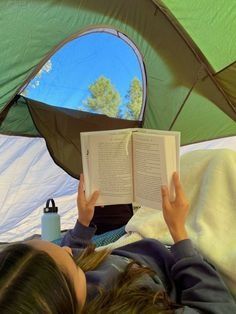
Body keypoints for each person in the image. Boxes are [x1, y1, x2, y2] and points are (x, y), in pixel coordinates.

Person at [0, 173, 235, 313]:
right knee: (218, 168)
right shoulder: (134, 304)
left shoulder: (67, 293)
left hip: (136, 243)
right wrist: (180, 235)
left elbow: (71, 252)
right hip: (177, 253)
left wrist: (83, 221)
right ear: (66, 296)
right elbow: (218, 307)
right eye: (70, 262)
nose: (68, 248)